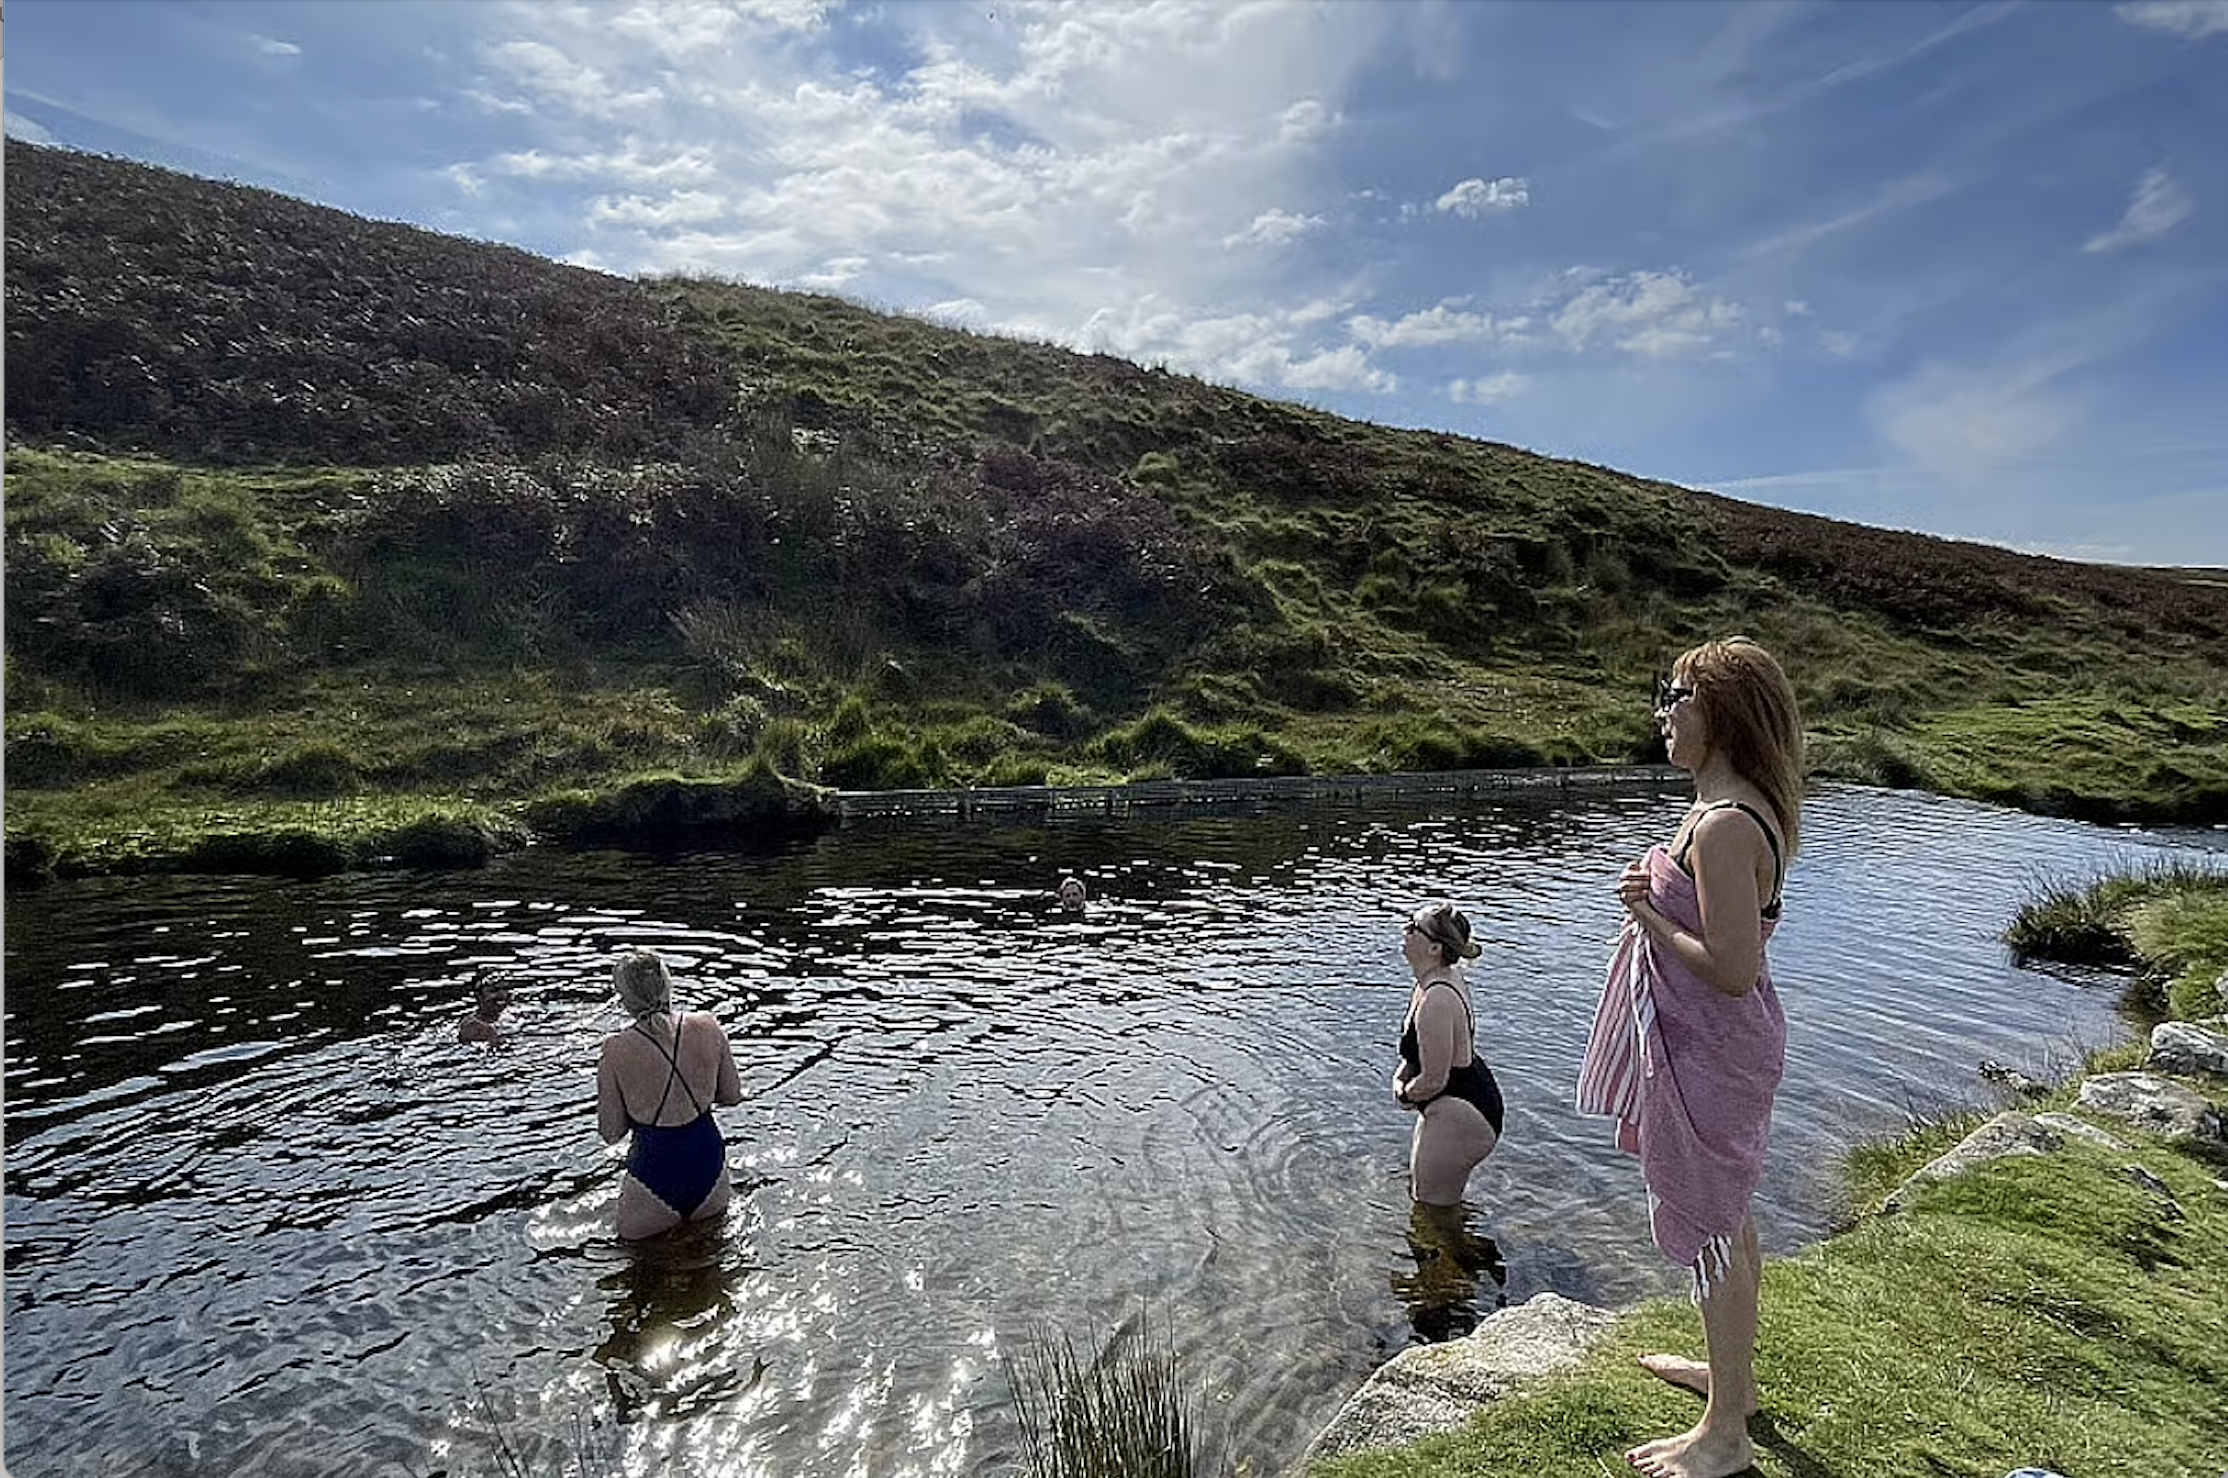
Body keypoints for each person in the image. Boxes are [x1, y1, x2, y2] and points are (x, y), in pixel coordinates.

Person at [1576, 635, 1803, 1478]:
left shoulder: (1722, 826)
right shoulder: (1733, 810)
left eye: (1677, 697)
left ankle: (1724, 1438)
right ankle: (1731, 1384)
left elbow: (1734, 972)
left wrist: (1646, 916)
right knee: (1730, 1218)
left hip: (1716, 1049)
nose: (1662, 713)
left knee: (1711, 1221)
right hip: (1715, 1048)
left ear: (1725, 713)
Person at [595, 949, 746, 1242]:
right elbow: (731, 1096)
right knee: (714, 1262)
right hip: (707, 1159)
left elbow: (611, 1133)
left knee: (641, 1276)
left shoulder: (615, 1049)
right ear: (668, 984)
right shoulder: (708, 1025)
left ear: (623, 998)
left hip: (654, 1166)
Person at [1391, 902, 1504, 1208]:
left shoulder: (1437, 999)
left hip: (1461, 1113)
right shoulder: (1431, 982)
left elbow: (1434, 1079)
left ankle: (1459, 1256)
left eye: (1415, 927)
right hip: (1459, 1103)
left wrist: (1404, 1094)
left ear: (1434, 948)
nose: (1406, 930)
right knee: (1430, 1200)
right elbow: (1420, 1054)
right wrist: (1402, 1074)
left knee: (1431, 1208)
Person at [456, 972, 512, 1044]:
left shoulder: (513, 1014)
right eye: (494, 990)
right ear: (479, 996)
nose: (503, 994)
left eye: (505, 989)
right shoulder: (471, 1026)